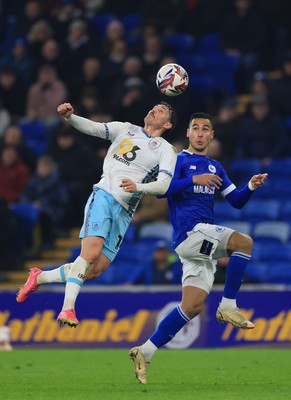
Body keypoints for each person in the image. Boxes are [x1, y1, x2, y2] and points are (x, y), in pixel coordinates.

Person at [128, 112, 268, 384]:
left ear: (212, 135)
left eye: (206, 129)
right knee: (244, 242)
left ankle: (144, 351)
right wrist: (193, 180)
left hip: (200, 243)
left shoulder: (215, 167)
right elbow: (161, 190)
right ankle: (228, 305)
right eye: (196, 128)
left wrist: (251, 185)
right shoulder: (178, 160)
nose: (201, 133)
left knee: (191, 306)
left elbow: (236, 201)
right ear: (189, 134)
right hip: (189, 234)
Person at [16, 101, 178, 328]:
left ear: (168, 124)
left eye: (161, 111)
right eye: (154, 106)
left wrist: (138, 187)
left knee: (95, 270)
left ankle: (39, 277)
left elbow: (163, 185)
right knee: (89, 254)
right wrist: (70, 118)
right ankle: (67, 309)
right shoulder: (126, 129)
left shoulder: (165, 149)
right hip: (104, 196)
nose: (153, 109)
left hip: (125, 211)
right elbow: (94, 128)